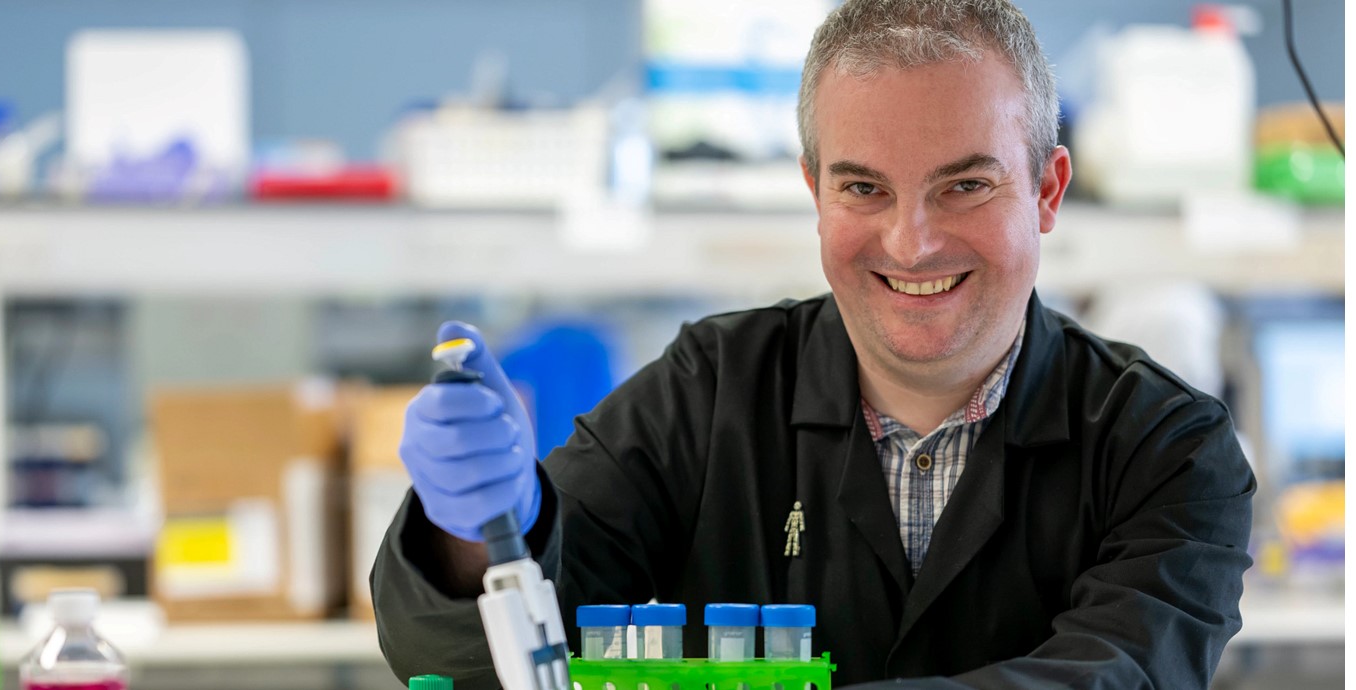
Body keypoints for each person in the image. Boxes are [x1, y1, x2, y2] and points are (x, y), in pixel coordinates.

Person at [371, 1, 1255, 687]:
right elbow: (467, 663)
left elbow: (1119, 679)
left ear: (1047, 190)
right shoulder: (707, 395)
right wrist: (477, 533)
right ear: (814, 190)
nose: (912, 243)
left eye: (966, 186)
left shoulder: (1166, 449)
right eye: (864, 187)